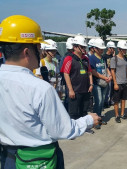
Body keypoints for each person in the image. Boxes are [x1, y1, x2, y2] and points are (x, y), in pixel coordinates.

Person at [0, 15, 100, 169]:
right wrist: (88, 120)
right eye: (39, 48)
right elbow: (63, 130)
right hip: (38, 159)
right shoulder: (40, 88)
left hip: (8, 158)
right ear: (27, 52)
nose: (41, 52)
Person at [61, 35, 94, 121]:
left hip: (86, 90)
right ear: (75, 47)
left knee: (84, 111)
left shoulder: (86, 59)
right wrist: (71, 90)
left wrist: (91, 84)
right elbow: (66, 74)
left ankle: (85, 127)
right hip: (75, 90)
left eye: (84, 47)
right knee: (74, 113)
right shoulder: (69, 58)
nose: (84, 49)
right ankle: (74, 130)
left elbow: (89, 72)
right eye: (82, 47)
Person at [89, 39, 112, 129]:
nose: (102, 50)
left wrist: (109, 75)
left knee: (102, 101)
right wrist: (105, 78)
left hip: (105, 83)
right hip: (97, 83)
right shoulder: (92, 58)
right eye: (100, 49)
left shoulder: (102, 58)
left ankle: (98, 117)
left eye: (102, 49)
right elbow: (93, 72)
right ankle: (95, 121)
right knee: (98, 101)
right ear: (95, 49)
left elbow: (106, 68)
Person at [110, 40, 127, 123]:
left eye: (126, 49)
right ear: (119, 49)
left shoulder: (126, 58)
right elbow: (112, 71)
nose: (125, 51)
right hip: (118, 83)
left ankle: (122, 114)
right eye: (123, 49)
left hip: (125, 83)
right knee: (116, 100)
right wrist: (115, 83)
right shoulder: (114, 59)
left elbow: (126, 69)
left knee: (123, 99)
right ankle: (117, 115)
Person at [60, 37, 74, 110]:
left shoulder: (73, 57)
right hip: (68, 82)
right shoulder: (65, 57)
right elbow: (63, 72)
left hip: (73, 82)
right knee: (68, 98)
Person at [103, 41, 116, 108]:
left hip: (113, 74)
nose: (113, 50)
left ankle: (111, 100)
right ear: (109, 48)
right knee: (108, 89)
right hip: (108, 74)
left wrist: (114, 57)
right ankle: (105, 101)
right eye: (112, 48)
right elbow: (105, 66)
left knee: (112, 88)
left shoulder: (113, 56)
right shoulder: (104, 56)